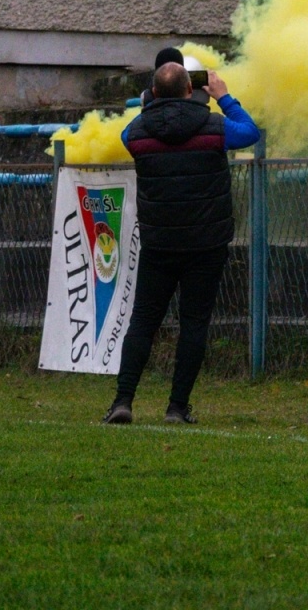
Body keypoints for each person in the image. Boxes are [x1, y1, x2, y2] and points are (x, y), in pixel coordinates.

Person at [103, 62, 260, 426]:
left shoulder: (138, 133)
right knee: (194, 324)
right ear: (192, 90)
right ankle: (177, 407)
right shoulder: (214, 127)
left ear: (154, 93)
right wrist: (224, 97)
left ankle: (123, 401)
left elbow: (127, 133)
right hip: (207, 243)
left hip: (159, 244)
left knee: (143, 321)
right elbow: (249, 132)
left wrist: (149, 104)